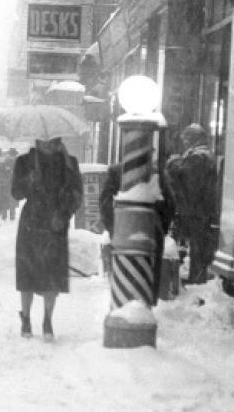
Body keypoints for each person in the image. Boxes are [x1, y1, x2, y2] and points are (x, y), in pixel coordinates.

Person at [11, 136, 83, 340]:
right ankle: (26, 318)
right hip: (31, 223)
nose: (47, 144)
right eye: (43, 140)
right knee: (27, 273)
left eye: (51, 140)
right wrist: (29, 180)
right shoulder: (24, 162)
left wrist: (64, 214)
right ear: (36, 140)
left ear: (59, 140)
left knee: (52, 275)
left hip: (56, 223)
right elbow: (16, 193)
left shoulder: (69, 163)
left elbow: (77, 194)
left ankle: (47, 320)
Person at [100, 157, 175, 303]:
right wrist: (160, 228)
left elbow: (105, 204)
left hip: (122, 233)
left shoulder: (116, 172)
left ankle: (123, 302)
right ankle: (147, 303)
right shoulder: (157, 174)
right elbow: (171, 203)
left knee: (123, 277)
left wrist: (114, 228)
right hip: (152, 234)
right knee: (149, 278)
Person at [166, 124, 220, 284]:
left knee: (196, 248)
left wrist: (173, 164)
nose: (183, 141)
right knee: (195, 247)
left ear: (193, 139)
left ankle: (195, 280)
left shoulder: (198, 157)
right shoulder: (202, 156)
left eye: (186, 138)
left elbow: (188, 181)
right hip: (198, 210)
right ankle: (193, 277)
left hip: (195, 211)